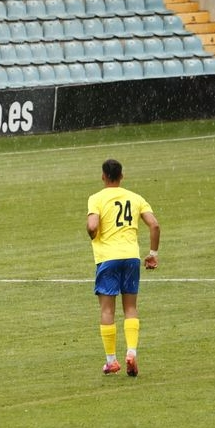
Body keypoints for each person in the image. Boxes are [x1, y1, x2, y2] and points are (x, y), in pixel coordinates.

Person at [87, 159, 160, 377]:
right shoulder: (135, 198)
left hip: (108, 258)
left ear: (103, 176)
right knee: (130, 308)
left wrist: (93, 234)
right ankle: (131, 351)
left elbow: (92, 226)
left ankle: (111, 361)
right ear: (122, 176)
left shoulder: (96, 198)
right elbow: (154, 224)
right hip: (131, 258)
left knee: (108, 310)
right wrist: (153, 254)